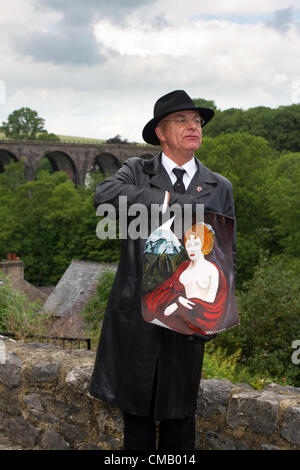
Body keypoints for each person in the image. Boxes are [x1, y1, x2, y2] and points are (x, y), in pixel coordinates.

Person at [89, 90, 236, 451]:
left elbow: (228, 259)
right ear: (160, 131)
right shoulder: (137, 171)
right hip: (137, 322)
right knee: (136, 425)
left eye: (197, 121)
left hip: (188, 323)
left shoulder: (219, 187)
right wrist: (169, 201)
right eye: (181, 120)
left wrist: (217, 314)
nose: (193, 127)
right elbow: (104, 196)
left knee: (179, 424)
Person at [142, 222, 229, 337]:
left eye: (196, 244)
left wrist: (178, 305)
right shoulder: (183, 267)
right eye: (188, 245)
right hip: (175, 322)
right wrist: (177, 299)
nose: (191, 249)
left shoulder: (213, 271)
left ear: (205, 244)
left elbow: (212, 308)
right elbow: (165, 289)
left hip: (199, 323)